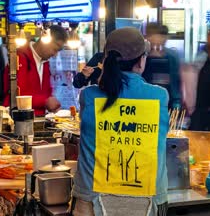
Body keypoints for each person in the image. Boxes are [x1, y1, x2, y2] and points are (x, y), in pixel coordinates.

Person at [71, 27, 169, 216]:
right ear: (141, 62)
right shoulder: (159, 97)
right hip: (148, 199)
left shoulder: (89, 96)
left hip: (91, 200)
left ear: (105, 60)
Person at [3, 25, 68, 116]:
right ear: (45, 40)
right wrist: (46, 101)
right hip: (18, 118)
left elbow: (47, 91)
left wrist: (53, 105)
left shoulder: (45, 62)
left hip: (38, 118)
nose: (55, 54)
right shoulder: (19, 57)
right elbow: (19, 95)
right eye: (55, 49)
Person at [142, 23, 181, 109]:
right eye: (150, 35)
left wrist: (177, 102)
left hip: (168, 102)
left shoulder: (172, 56)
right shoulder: (142, 56)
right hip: (146, 101)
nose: (156, 39)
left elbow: (176, 81)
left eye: (161, 36)